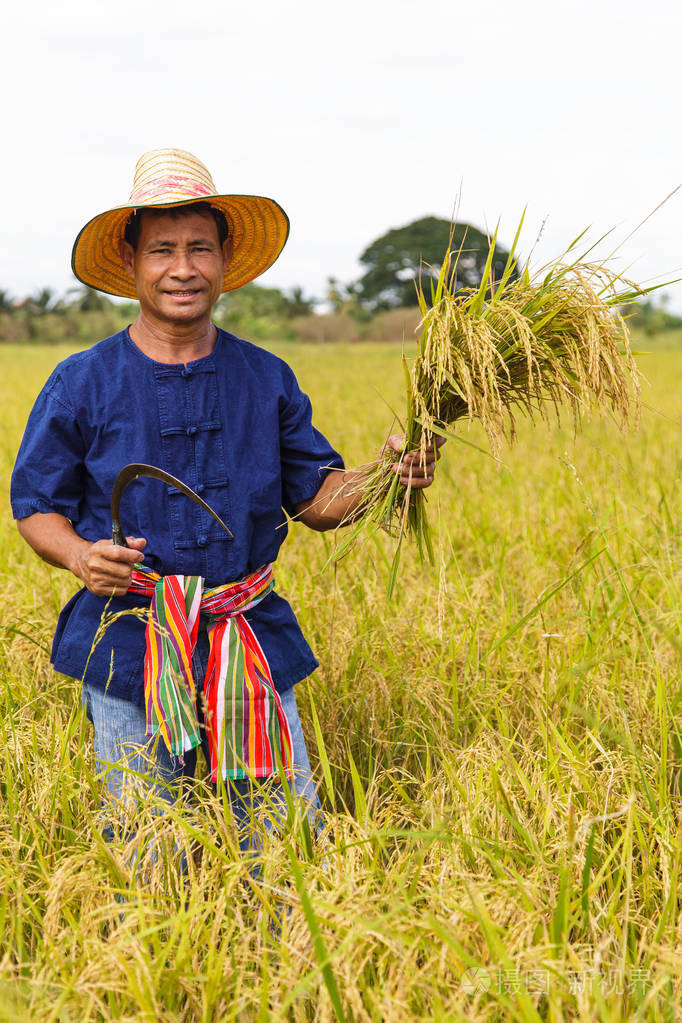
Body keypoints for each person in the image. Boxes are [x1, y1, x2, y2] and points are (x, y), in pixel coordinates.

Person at [10, 148, 442, 849]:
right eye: (163, 250)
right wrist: (83, 555)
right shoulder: (81, 381)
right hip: (132, 642)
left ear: (225, 258)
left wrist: (387, 475)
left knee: (282, 846)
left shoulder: (264, 377)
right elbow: (34, 505)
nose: (183, 268)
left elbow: (318, 499)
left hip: (248, 638)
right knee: (149, 847)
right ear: (130, 261)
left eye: (200, 248)